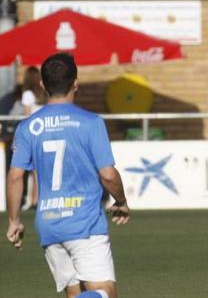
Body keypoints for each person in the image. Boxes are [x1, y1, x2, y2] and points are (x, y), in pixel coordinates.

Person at [5, 52, 131, 298]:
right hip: (84, 223)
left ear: (43, 85)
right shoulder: (91, 122)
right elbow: (107, 174)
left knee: (76, 294)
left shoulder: (28, 126)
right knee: (105, 293)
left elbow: (14, 177)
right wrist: (122, 201)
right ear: (76, 82)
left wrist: (14, 220)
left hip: (50, 224)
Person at [21, 66, 47, 210]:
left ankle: (34, 200)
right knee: (39, 170)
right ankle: (37, 199)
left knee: (32, 171)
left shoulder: (27, 94)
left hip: (32, 135)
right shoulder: (44, 94)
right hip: (46, 134)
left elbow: (26, 117)